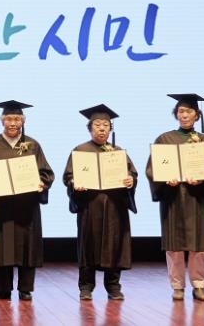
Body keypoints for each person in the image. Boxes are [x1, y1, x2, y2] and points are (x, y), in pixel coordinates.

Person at [145, 94, 204, 302]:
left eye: (189, 111)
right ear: (176, 114)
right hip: (172, 198)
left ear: (197, 115)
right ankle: (177, 286)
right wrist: (165, 179)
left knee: (199, 244)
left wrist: (203, 177)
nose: (185, 115)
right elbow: (153, 168)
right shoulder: (164, 139)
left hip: (197, 198)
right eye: (181, 111)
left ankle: (199, 285)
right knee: (174, 245)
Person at [0, 100, 54, 301]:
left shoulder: (33, 145)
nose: (13, 123)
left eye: (17, 119)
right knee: (3, 247)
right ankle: (2, 289)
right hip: (2, 205)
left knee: (28, 246)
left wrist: (42, 183)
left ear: (23, 121)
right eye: (9, 119)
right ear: (2, 120)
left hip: (27, 206)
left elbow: (46, 172)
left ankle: (25, 288)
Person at [63, 104, 137, 301]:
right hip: (90, 207)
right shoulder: (80, 151)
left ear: (110, 128)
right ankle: (86, 287)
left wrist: (130, 180)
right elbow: (68, 176)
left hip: (115, 208)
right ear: (90, 128)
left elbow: (132, 174)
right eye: (97, 125)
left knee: (114, 246)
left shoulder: (118, 152)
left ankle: (113, 286)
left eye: (106, 125)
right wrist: (74, 183)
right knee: (88, 246)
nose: (102, 128)